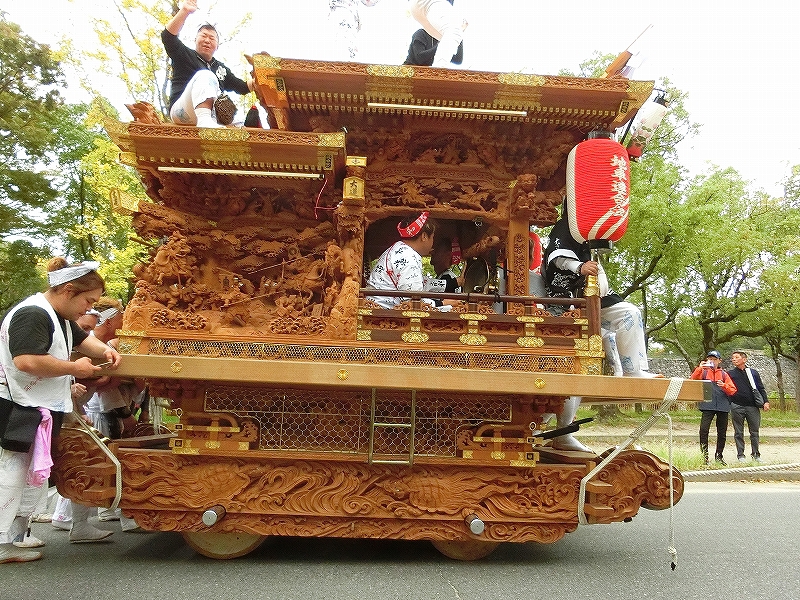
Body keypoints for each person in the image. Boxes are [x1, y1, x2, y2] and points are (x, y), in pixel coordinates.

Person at [0, 258, 121, 564]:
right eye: (88, 301)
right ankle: (2, 540)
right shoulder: (33, 313)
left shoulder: (60, 316)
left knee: (30, 474)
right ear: (68, 291)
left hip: (39, 406)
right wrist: (73, 368)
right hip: (18, 406)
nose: (89, 308)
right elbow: (26, 360)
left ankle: (15, 534)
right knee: (11, 473)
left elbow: (86, 342)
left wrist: (108, 351)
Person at [162, 0, 254, 128]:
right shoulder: (183, 54)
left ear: (217, 45)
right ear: (195, 39)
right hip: (183, 112)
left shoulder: (221, 68)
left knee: (241, 126)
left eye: (211, 38)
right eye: (203, 36)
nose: (207, 40)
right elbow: (168, 37)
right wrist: (185, 11)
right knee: (206, 75)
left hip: (214, 115)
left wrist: (261, 79)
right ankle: (204, 121)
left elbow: (242, 87)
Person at [367, 212, 455, 310]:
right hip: (384, 312)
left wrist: (453, 283)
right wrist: (442, 303)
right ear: (424, 236)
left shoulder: (399, 249)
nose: (432, 242)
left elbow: (417, 284)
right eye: (433, 237)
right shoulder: (409, 256)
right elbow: (412, 301)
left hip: (377, 308)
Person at [690, 350, 737, 465]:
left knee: (722, 432)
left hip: (723, 405)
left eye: (714, 359)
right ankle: (704, 457)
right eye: (710, 359)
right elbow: (692, 381)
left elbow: (733, 390)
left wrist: (724, 385)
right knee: (703, 430)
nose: (712, 361)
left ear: (719, 361)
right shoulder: (703, 372)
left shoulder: (724, 374)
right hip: (707, 404)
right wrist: (699, 368)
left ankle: (719, 456)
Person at [727, 351, 769, 463]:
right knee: (738, 432)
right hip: (737, 406)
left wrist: (766, 401)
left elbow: (760, 388)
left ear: (744, 359)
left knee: (754, 432)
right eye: (733, 357)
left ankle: (756, 454)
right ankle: (740, 455)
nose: (734, 359)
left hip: (752, 406)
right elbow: (727, 389)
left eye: (737, 357)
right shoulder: (730, 374)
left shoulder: (753, 373)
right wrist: (731, 403)